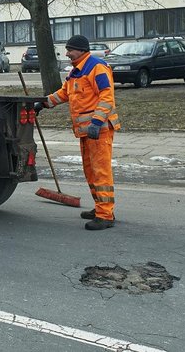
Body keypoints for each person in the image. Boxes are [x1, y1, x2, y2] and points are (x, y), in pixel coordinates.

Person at [36, 35, 121, 230]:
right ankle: (100, 207)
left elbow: (107, 97)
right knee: (90, 171)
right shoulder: (76, 72)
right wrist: (42, 103)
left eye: (70, 50)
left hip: (99, 130)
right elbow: (64, 93)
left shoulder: (97, 67)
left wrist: (97, 121)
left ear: (81, 50)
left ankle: (105, 215)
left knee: (101, 172)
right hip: (86, 132)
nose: (67, 54)